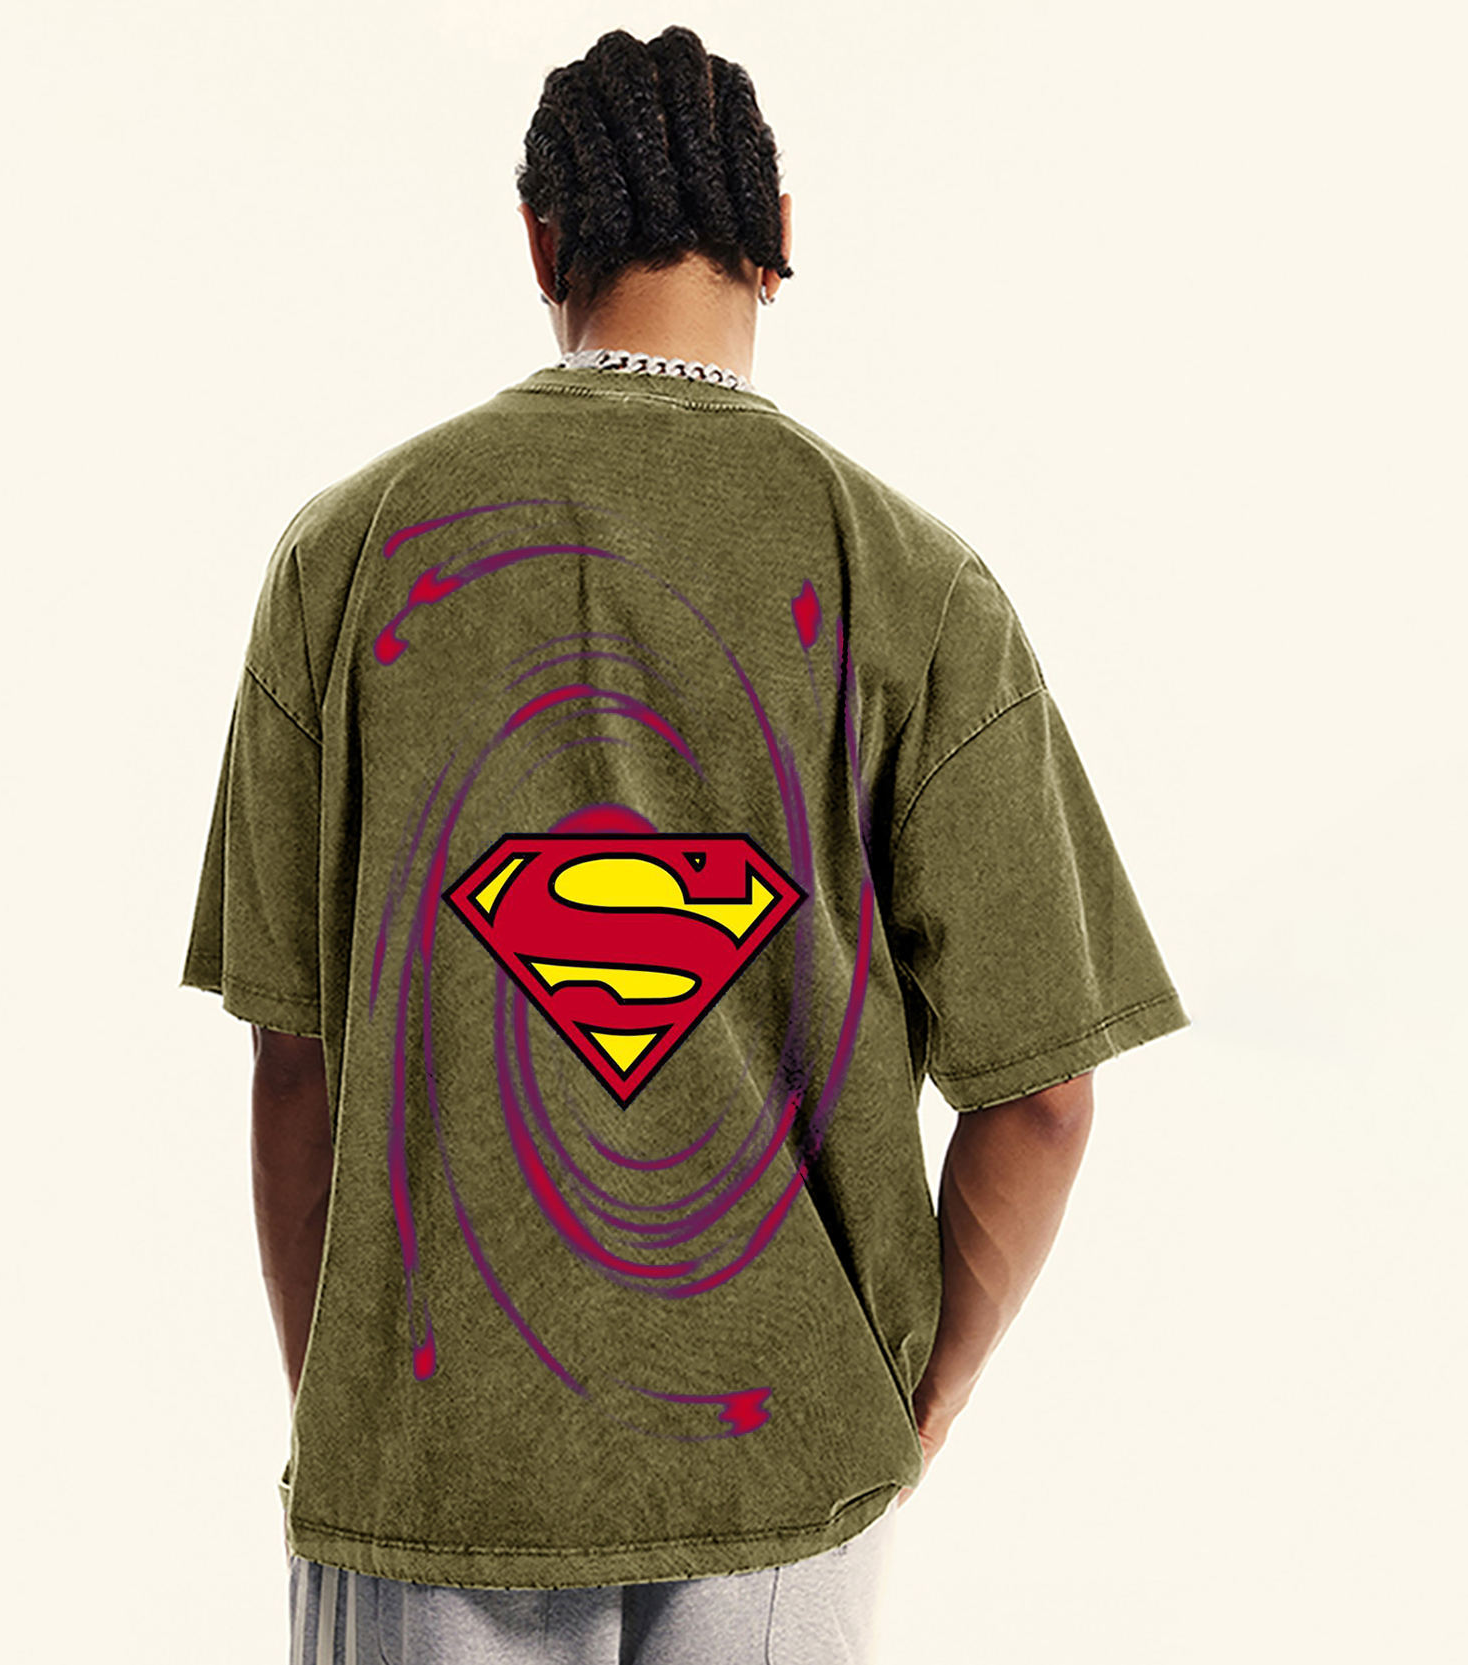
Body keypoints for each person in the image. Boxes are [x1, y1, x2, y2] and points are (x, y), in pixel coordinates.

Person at [181, 25, 1187, 1664]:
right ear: (779, 232)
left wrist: (364, 1419)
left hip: (435, 1464)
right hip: (788, 1469)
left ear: (541, 242)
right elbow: (1047, 1098)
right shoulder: (916, 584)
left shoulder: (342, 558)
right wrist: (910, 1408)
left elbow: (292, 1067)